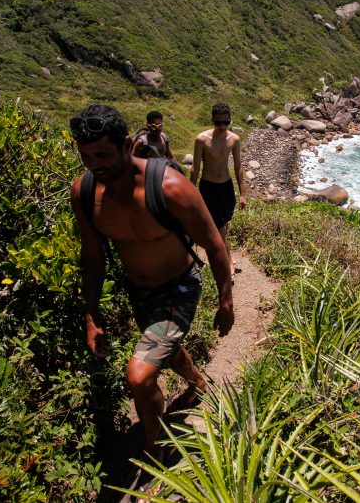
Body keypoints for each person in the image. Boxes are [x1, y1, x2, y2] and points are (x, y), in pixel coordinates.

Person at [68, 104, 234, 461]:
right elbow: (93, 257)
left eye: (102, 154)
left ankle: (154, 454)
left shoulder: (170, 187)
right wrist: (91, 316)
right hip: (138, 292)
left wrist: (226, 301)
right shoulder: (84, 192)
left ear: (128, 144)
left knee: (140, 376)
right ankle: (197, 384)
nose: (94, 164)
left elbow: (215, 245)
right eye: (85, 156)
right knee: (167, 351)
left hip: (179, 289)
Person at [190, 102, 246, 280]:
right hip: (209, 188)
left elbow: (238, 167)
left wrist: (243, 193)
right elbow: (195, 168)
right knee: (220, 228)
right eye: (218, 123)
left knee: (223, 225)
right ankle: (227, 261)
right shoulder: (201, 140)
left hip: (226, 188)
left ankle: (218, 252)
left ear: (230, 120)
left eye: (226, 122)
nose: (222, 127)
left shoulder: (234, 140)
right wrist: (190, 191)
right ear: (212, 120)